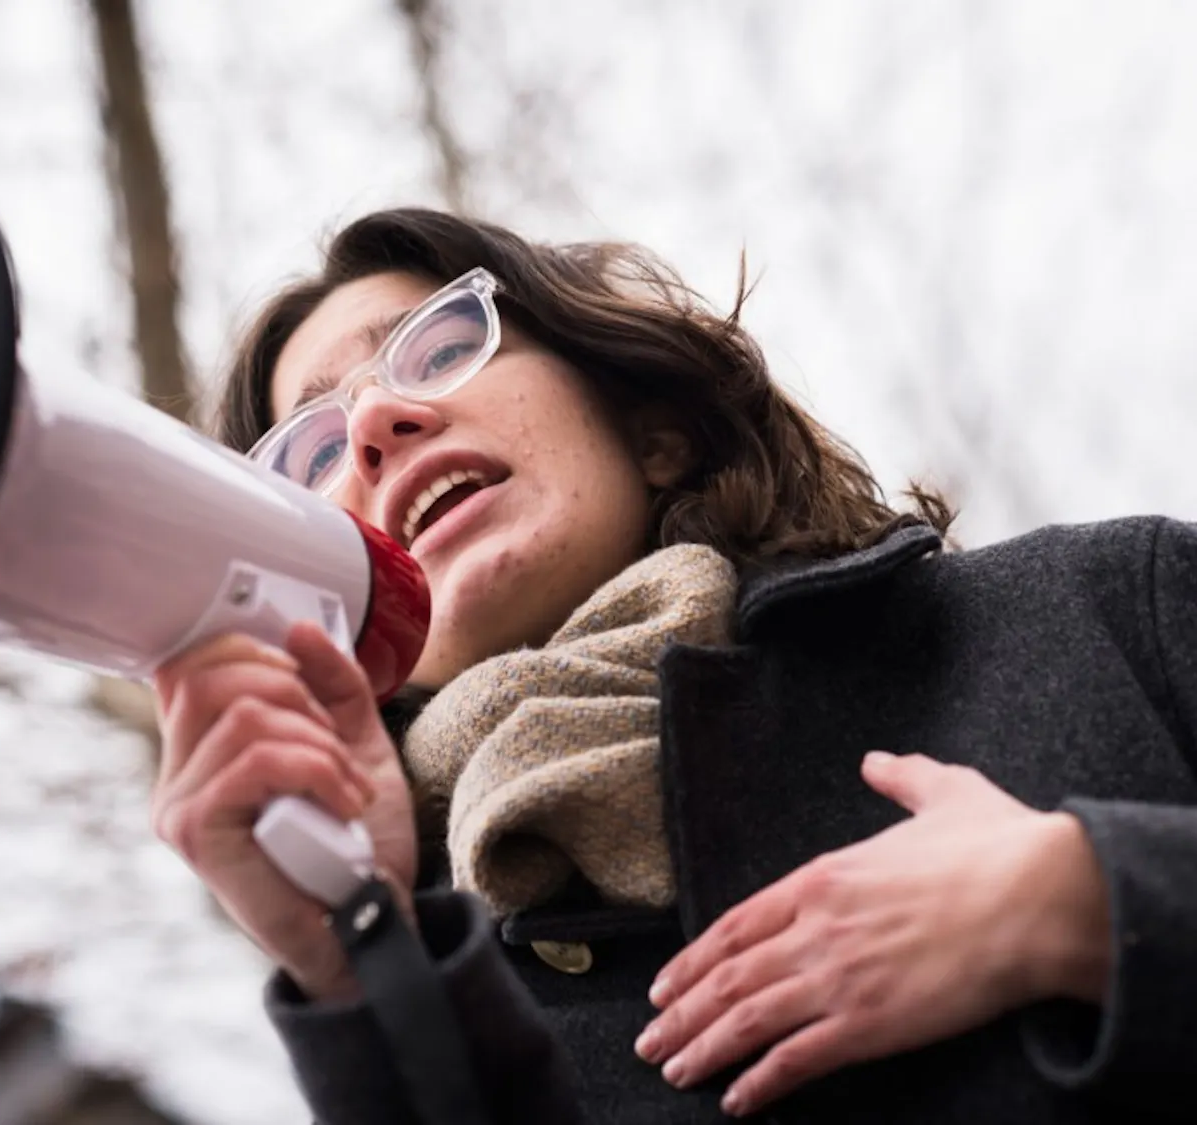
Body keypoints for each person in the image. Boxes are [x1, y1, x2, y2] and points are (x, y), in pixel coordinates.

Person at [148, 208, 1197, 1124]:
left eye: (440, 344)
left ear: (651, 431)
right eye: (313, 452)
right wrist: (365, 966)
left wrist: (1091, 904)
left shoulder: (1104, 607)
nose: (374, 421)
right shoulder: (428, 980)